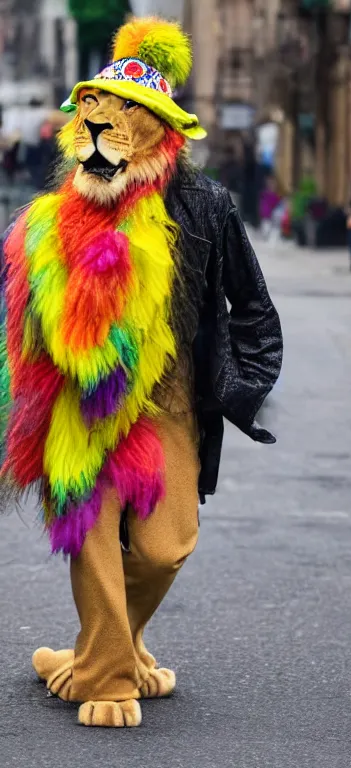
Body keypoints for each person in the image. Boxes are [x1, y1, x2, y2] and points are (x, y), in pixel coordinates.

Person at [0, 17, 282, 729]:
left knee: (164, 547)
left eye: (131, 113)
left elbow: (251, 306)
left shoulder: (205, 206)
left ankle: (96, 653)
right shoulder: (49, 216)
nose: (108, 123)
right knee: (93, 536)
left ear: (166, 133)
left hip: (170, 399)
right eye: (98, 108)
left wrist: (239, 388)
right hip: (81, 399)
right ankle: (108, 676)